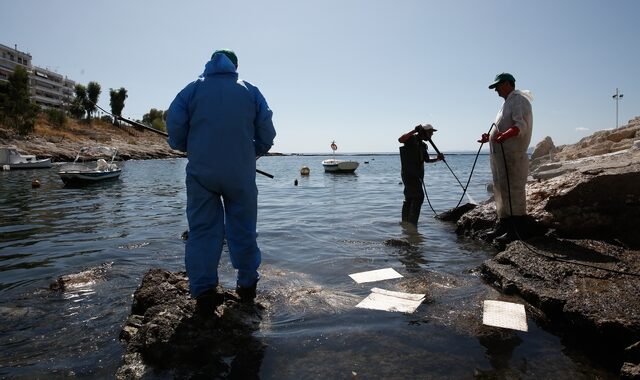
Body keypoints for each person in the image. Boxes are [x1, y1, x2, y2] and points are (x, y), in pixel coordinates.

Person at [166, 50, 276, 315]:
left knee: (202, 230)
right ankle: (247, 286)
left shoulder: (191, 90)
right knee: (244, 229)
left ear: (209, 64)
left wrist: (183, 145)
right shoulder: (250, 91)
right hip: (240, 173)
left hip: (202, 173)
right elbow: (267, 130)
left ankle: (204, 291)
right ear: (235, 66)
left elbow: (175, 123)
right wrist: (255, 151)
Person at [478, 73, 533, 243]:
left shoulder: (519, 100)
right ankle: (504, 225)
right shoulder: (506, 103)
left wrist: (506, 135)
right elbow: (501, 127)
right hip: (501, 156)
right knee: (501, 189)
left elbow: (520, 125)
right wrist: (490, 137)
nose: (496, 90)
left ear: (508, 84)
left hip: (513, 155)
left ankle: (517, 230)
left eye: (498, 86)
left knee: (514, 190)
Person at [398, 124, 445, 226]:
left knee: (410, 198)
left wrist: (438, 158)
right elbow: (400, 139)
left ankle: (406, 224)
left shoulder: (422, 145)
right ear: (424, 132)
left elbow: (427, 160)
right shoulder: (411, 139)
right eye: (430, 133)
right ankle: (412, 224)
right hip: (409, 175)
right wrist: (414, 130)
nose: (431, 135)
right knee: (419, 197)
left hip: (417, 176)